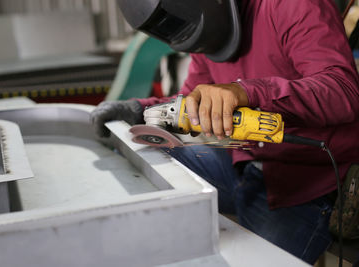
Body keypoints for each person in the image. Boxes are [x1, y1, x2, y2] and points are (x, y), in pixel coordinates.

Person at [90, 0, 359, 264]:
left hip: (304, 184)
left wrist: (247, 91)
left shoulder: (291, 5)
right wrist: (140, 110)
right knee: (142, 145)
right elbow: (190, 102)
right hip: (240, 161)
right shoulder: (204, 32)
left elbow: (342, 91)